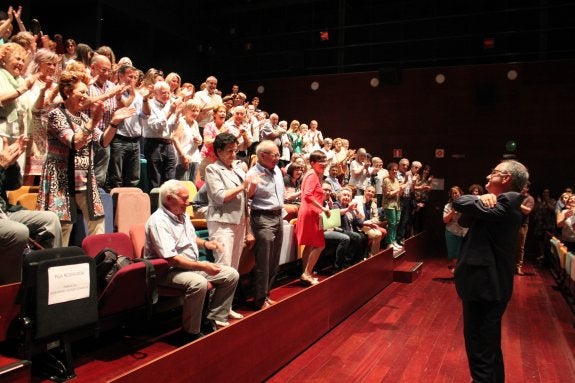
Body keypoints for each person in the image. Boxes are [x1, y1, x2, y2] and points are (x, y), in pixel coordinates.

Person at [36, 70, 135, 246]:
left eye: (86, 92)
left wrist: (114, 122)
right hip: (61, 177)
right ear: (67, 92)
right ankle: (59, 262)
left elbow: (103, 141)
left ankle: (99, 260)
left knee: (97, 219)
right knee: (63, 224)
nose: (85, 96)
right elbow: (74, 142)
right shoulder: (56, 114)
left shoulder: (83, 117)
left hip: (83, 176)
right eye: (81, 92)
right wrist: (94, 121)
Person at [452, 159, 529, 383]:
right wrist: (481, 199)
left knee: (480, 352)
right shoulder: (496, 205)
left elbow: (459, 202)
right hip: (488, 288)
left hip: (485, 288)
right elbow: (466, 217)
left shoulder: (506, 204)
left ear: (506, 179)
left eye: (493, 173)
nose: (487, 177)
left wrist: (477, 198)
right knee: (489, 350)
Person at [144, 179, 239, 339]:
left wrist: (207, 244)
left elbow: (191, 238)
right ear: (169, 198)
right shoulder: (158, 221)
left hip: (190, 267)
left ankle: (212, 319)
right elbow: (172, 259)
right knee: (198, 283)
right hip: (167, 271)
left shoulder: (182, 215)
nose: (189, 202)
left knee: (231, 275)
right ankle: (190, 332)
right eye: (184, 198)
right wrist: (203, 267)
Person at [1, 135, 62, 284]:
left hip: (5, 211)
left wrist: (12, 164)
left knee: (50, 219)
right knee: (18, 231)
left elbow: (13, 185)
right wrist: (1, 165)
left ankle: (50, 281)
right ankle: (12, 290)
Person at [246, 140, 284, 309]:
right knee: (263, 261)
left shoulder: (276, 170)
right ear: (262, 155)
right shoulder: (252, 174)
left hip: (278, 217)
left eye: (278, 154)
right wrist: (252, 185)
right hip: (262, 218)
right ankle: (259, 300)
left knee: (274, 260)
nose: (278, 158)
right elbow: (247, 198)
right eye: (274, 155)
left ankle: (266, 295)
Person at [296, 150, 330, 285]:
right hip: (311, 214)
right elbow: (307, 196)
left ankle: (306, 274)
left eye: (324, 160)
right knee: (320, 245)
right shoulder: (312, 175)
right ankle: (306, 274)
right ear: (312, 163)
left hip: (311, 213)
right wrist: (323, 208)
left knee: (310, 245)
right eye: (320, 161)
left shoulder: (314, 174)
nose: (323, 163)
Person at [443, 186, 467, 270]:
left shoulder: (467, 205)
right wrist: (453, 211)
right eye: (452, 193)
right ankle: (456, 273)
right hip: (451, 231)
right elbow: (445, 220)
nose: (454, 195)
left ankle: (462, 273)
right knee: (454, 254)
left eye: (456, 193)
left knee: (464, 253)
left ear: (461, 193)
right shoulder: (448, 206)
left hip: (464, 232)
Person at [382, 162, 405, 251]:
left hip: (397, 205)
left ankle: (394, 241)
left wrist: (401, 190)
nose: (394, 171)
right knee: (391, 224)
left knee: (396, 223)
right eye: (393, 170)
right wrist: (398, 190)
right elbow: (387, 194)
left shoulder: (396, 180)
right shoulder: (386, 180)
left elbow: (399, 193)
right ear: (389, 171)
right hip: (389, 205)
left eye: (396, 170)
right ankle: (389, 243)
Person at [515, 181, 534, 275]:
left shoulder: (530, 199)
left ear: (527, 188)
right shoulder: (516, 196)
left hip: (522, 225)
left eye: (524, 186)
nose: (522, 188)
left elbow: (527, 211)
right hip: (511, 224)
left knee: (520, 247)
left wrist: (517, 203)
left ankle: (518, 266)